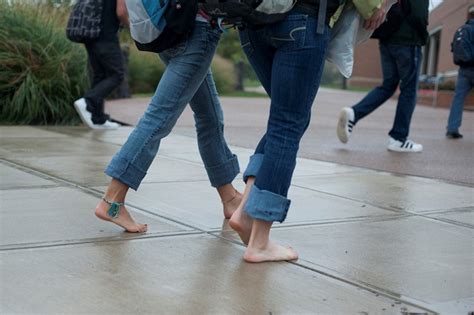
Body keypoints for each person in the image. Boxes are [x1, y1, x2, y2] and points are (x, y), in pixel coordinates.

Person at [229, 0, 386, 262]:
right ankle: (259, 241)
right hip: (301, 19)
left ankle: (244, 212)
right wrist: (373, 6)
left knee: (287, 119)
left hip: (252, 21)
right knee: (288, 124)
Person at [94, 9, 242, 232]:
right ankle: (112, 200)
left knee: (209, 116)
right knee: (159, 118)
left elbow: (122, 9)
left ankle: (229, 196)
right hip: (197, 29)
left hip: (170, 27)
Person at [337, 0, 429, 152]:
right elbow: (418, 14)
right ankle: (398, 139)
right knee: (409, 90)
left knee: (388, 85)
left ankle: (354, 113)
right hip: (408, 41)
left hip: (388, 39)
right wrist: (423, 37)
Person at [73, 0, 127, 130]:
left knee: (100, 75)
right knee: (117, 74)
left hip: (90, 34)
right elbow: (121, 12)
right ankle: (88, 101)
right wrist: (134, 26)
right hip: (106, 35)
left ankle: (98, 119)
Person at [446, 7, 474, 139]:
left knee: (458, 99)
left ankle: (452, 128)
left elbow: (453, 47)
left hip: (463, 69)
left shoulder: (461, 29)